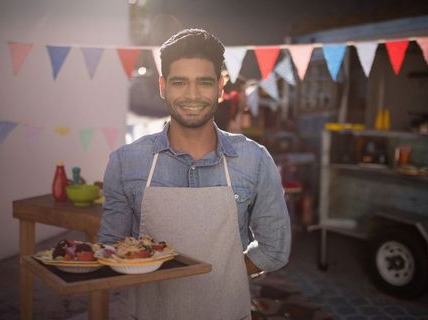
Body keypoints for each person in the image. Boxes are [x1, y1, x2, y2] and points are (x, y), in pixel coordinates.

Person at [98, 28, 291, 320]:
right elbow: (110, 246)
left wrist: (226, 275)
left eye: (203, 82)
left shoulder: (254, 159)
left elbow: (274, 249)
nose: (192, 95)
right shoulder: (126, 162)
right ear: (163, 86)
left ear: (220, 87)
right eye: (179, 82)